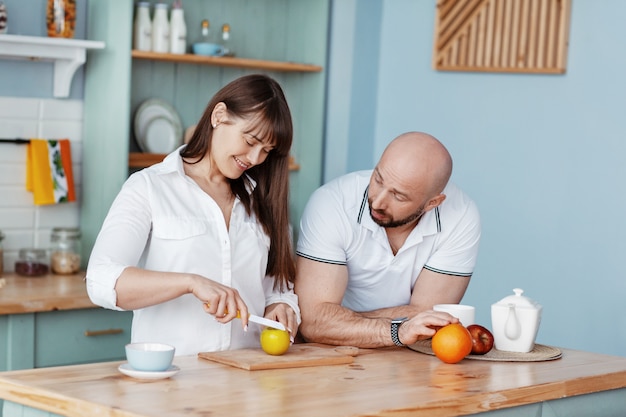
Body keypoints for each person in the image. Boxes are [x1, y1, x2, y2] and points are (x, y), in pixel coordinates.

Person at [86, 74, 300, 356]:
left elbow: (277, 288)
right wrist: (190, 282)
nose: (255, 158)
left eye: (267, 151)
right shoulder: (150, 187)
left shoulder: (265, 200)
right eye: (250, 141)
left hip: (247, 382)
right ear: (219, 116)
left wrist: (282, 306)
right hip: (169, 381)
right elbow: (101, 281)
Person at [294, 131, 481, 348]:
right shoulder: (332, 203)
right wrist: (397, 330)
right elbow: (314, 322)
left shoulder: (461, 215)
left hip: (408, 356)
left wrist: (341, 321)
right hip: (332, 351)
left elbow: (428, 317)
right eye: (378, 179)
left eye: (398, 196)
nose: (378, 202)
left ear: (432, 203)